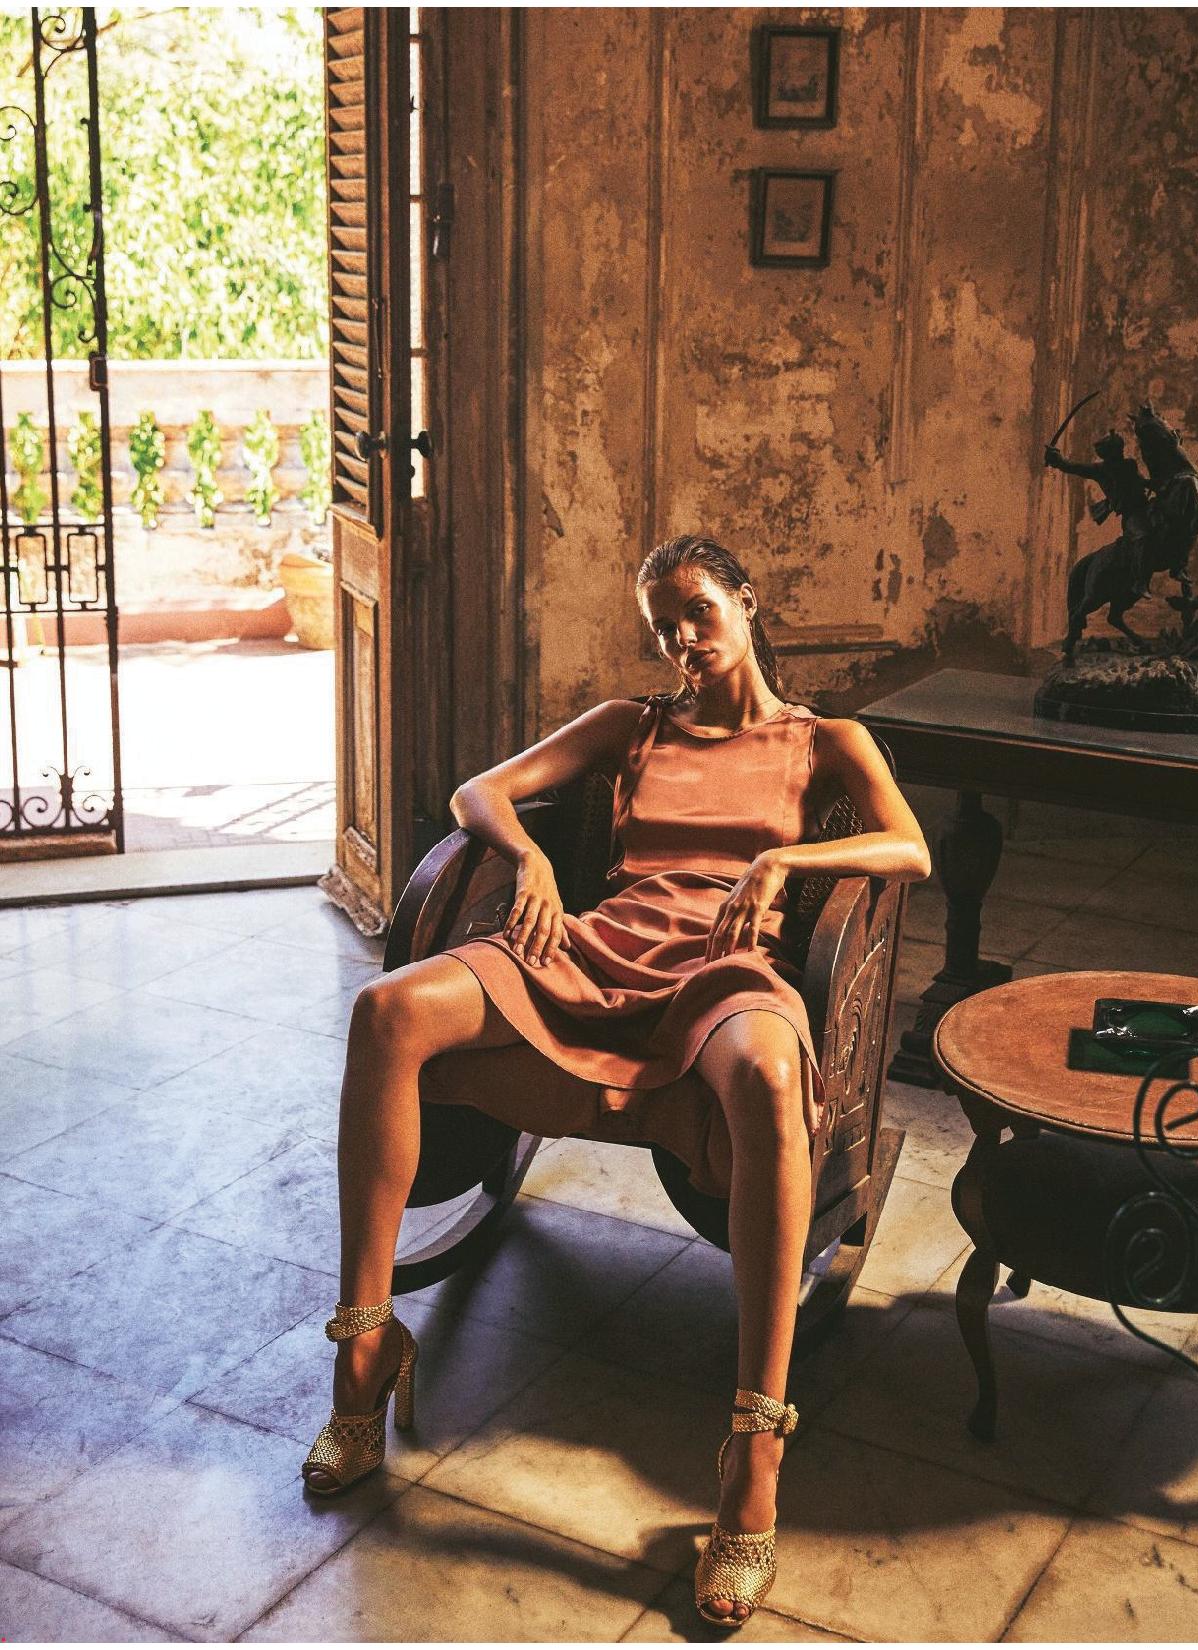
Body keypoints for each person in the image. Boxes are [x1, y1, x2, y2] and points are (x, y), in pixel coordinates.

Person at [301, 533, 931, 1627]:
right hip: (597, 946)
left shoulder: (826, 739)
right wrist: (533, 860)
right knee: (386, 1011)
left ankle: (754, 1446)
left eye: (697, 611)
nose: (682, 640)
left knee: (768, 1075)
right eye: (662, 627)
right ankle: (364, 1347)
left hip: (725, 965)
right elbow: (478, 793)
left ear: (746, 600)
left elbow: (908, 846)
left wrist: (783, 861)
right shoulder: (628, 726)